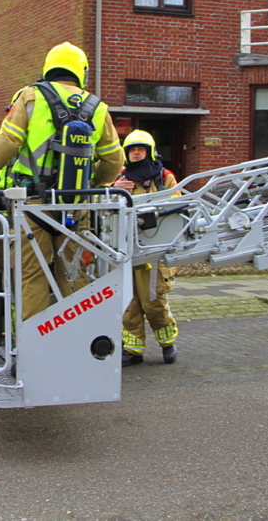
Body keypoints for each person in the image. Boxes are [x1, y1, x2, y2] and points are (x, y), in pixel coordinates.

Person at [0, 42, 123, 320]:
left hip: (33, 205)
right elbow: (114, 162)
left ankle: (31, 351)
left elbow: (8, 142)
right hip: (75, 204)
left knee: (32, 274)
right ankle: (77, 342)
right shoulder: (98, 107)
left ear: (49, 67)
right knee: (73, 273)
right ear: (80, 70)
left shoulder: (30, 97)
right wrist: (90, 182)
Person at [112, 130, 180, 367]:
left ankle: (168, 343)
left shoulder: (164, 178)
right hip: (126, 251)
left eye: (141, 149)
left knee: (153, 302)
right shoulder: (118, 179)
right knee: (129, 304)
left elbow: (178, 206)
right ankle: (133, 350)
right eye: (132, 150)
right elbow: (103, 209)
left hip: (153, 252)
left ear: (150, 152)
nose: (136, 153)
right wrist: (114, 190)